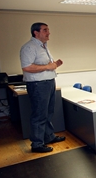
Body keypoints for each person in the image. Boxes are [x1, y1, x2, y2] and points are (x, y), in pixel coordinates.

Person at [20, 22, 65, 153]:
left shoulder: (43, 46)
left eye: (48, 30)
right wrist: (48, 67)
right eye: (45, 30)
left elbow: (45, 65)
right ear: (36, 32)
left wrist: (55, 64)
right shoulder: (29, 47)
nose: (48, 32)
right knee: (39, 114)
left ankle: (48, 136)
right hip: (38, 85)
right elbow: (27, 67)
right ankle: (37, 144)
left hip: (49, 82)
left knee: (48, 112)